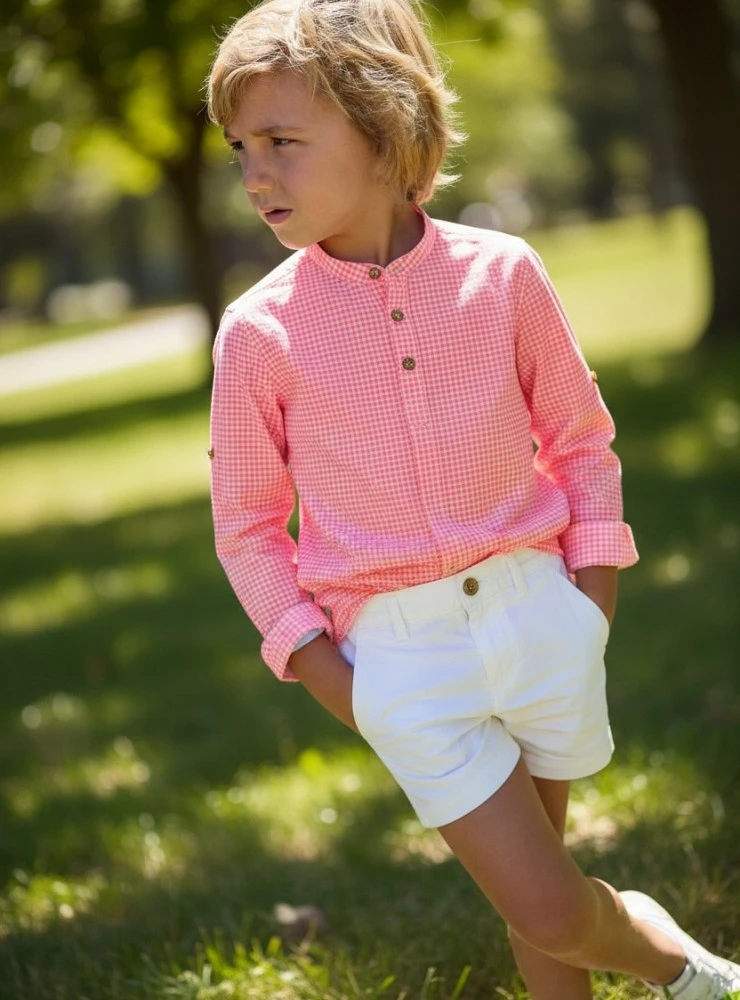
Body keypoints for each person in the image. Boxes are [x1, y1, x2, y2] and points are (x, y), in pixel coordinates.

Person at [205, 1, 740, 996]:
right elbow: (244, 528)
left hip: (541, 617)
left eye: (281, 141)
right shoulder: (257, 332)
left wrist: (589, 599)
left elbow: (580, 442)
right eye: (241, 147)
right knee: (544, 904)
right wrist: (327, 672)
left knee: (540, 905)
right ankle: (688, 969)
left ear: (382, 122)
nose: (254, 174)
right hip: (400, 663)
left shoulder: (501, 274)